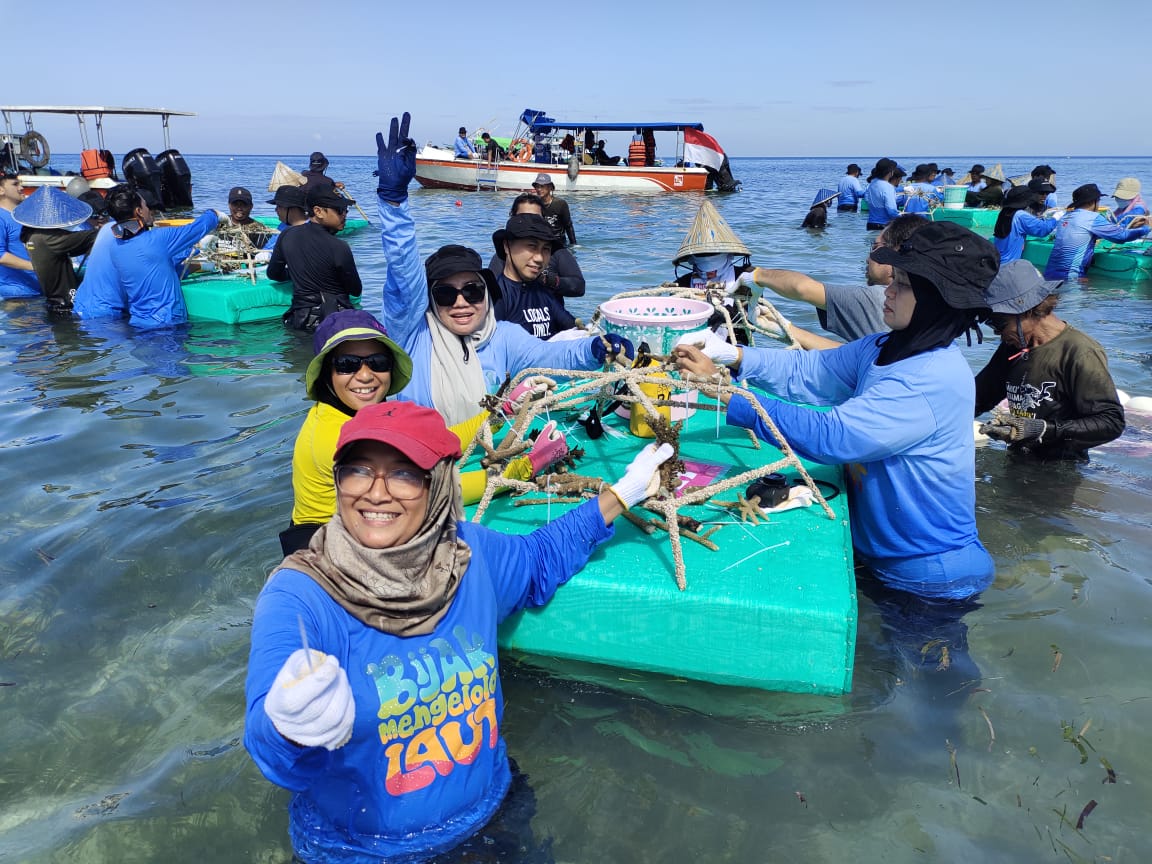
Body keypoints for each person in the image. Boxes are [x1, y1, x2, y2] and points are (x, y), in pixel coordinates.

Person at [246, 399, 673, 862]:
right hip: (363, 851)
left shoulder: (468, 556)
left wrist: (622, 494)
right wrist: (290, 727)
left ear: (441, 487)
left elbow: (539, 558)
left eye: (405, 473)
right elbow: (271, 748)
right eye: (358, 470)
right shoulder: (300, 596)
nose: (375, 492)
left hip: (496, 815)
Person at [673, 220, 998, 598]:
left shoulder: (929, 378)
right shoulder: (885, 347)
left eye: (904, 286)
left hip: (930, 572)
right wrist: (733, 355)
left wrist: (730, 395)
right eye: (895, 279)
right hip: (888, 556)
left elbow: (832, 437)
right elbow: (811, 370)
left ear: (938, 300)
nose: (887, 292)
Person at [375, 112, 631, 426]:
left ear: (485, 291)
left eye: (472, 290)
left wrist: (596, 348)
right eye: (445, 294)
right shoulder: (412, 335)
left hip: (481, 459)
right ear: (429, 300)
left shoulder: (502, 337)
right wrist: (394, 205)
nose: (461, 302)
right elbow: (404, 274)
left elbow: (552, 358)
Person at [283, 310, 571, 555]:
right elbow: (436, 491)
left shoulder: (356, 413)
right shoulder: (339, 437)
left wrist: (502, 410)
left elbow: (435, 441)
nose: (365, 375)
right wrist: (528, 465)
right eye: (347, 365)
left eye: (378, 363)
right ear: (326, 375)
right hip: (330, 551)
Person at [976, 259, 1125, 460]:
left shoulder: (1080, 352)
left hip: (1060, 471)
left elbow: (1111, 422)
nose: (998, 334)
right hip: (1018, 460)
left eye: (999, 324)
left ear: (1027, 309)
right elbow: (979, 397)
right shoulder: (1013, 347)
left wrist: (1043, 429)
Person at [734, 214, 927, 349]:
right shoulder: (931, 306)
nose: (868, 258)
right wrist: (787, 328)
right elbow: (855, 357)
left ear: (895, 252)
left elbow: (802, 288)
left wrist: (755, 275)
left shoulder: (878, 297)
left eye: (876, 247)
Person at [81, 184, 223, 328]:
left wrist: (195, 255)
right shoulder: (158, 239)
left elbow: (155, 267)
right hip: (166, 324)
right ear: (139, 211)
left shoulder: (117, 247)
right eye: (145, 206)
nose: (148, 209)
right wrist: (214, 214)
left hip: (139, 324)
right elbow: (195, 229)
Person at [269, 187, 363, 332]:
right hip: (335, 320)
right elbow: (355, 290)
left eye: (346, 210)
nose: (344, 214)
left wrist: (296, 273)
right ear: (318, 211)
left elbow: (274, 273)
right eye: (339, 210)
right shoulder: (339, 246)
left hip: (300, 318)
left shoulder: (286, 235)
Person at [13, 186, 98, 315]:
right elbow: (91, 237)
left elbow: (72, 246)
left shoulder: (30, 235)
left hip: (52, 301)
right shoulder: (48, 239)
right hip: (64, 305)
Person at [487, 192, 586, 302]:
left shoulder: (556, 252)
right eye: (523, 217)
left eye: (535, 218)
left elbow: (578, 286)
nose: (529, 222)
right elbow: (491, 293)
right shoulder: (503, 255)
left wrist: (548, 281)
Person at [490, 213, 575, 339]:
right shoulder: (495, 297)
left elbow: (573, 327)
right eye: (532, 246)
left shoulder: (544, 294)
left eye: (546, 249)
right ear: (507, 246)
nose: (539, 258)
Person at [1044, 183, 1150, 279]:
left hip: (1049, 273)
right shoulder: (1092, 218)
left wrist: (1133, 227)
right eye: (1098, 201)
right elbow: (1121, 237)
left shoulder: (1066, 216)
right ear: (1092, 202)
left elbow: (1083, 234)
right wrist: (1147, 228)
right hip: (1070, 276)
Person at [0, 169, 41, 299]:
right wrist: (37, 267)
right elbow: (1, 256)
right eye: (15, 184)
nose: (21, 187)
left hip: (35, 290)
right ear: (1, 191)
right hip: (14, 294)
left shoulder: (24, 217)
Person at [992, 185, 1058, 264]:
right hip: (1008, 264)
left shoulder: (1004, 212)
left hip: (996, 260)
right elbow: (1043, 229)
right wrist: (1056, 217)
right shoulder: (1020, 215)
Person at [531, 173, 577, 247]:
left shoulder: (560, 204)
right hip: (541, 242)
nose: (539, 189)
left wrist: (574, 245)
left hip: (558, 242)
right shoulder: (534, 204)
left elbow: (568, 226)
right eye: (537, 186)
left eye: (542, 186)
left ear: (550, 188)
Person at [863, 158, 906, 230]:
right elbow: (892, 212)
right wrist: (904, 218)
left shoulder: (872, 183)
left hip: (870, 224)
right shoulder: (888, 187)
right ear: (890, 172)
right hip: (883, 225)